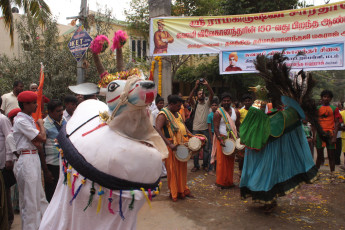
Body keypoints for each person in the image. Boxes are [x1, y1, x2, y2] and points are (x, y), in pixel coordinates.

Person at [13, 91, 48, 230]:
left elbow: (37, 143)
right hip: (27, 158)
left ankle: (42, 225)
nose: (35, 105)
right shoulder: (21, 120)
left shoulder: (27, 119)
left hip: (32, 156)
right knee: (30, 200)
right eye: (33, 103)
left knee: (38, 195)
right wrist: (41, 124)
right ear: (25, 104)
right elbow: (41, 139)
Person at [155, 95, 193, 201]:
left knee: (182, 169)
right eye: (178, 105)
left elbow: (184, 126)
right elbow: (157, 129)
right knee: (173, 171)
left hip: (181, 146)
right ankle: (174, 193)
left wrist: (192, 136)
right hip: (171, 146)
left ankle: (182, 190)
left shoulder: (178, 113)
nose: (180, 107)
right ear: (171, 104)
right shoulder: (163, 114)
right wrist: (169, 144)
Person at [212, 93, 240, 188]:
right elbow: (215, 127)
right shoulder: (218, 112)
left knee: (230, 161)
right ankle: (221, 182)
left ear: (231, 101)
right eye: (224, 100)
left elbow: (237, 125)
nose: (226, 102)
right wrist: (220, 139)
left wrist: (238, 139)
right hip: (222, 138)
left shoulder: (236, 111)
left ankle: (229, 181)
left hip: (232, 139)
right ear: (222, 102)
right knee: (221, 161)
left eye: (228, 100)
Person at [42, 100, 66, 202]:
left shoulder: (64, 120)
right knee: (52, 195)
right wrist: (46, 171)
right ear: (50, 112)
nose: (61, 113)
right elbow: (40, 149)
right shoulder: (44, 124)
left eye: (62, 110)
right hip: (52, 164)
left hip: (64, 163)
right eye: (58, 111)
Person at [188, 79, 214, 172]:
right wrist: (195, 87)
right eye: (199, 94)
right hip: (196, 129)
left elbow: (212, 95)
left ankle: (205, 165)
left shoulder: (207, 103)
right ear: (197, 95)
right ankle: (196, 165)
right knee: (195, 148)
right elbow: (189, 98)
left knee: (206, 148)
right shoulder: (195, 104)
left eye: (202, 94)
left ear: (205, 95)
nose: (201, 95)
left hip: (206, 128)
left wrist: (207, 85)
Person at [314, 90, 341, 177]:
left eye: (328, 97)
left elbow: (337, 123)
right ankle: (315, 174)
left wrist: (334, 137)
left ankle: (332, 174)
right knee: (319, 156)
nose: (326, 98)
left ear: (330, 98)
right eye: (324, 96)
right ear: (322, 97)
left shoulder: (334, 109)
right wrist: (314, 136)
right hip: (319, 134)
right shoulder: (317, 109)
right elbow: (315, 123)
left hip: (330, 134)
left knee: (331, 156)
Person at [0, 97, 12, 229]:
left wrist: (9, 158)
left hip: (3, 162)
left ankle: (8, 220)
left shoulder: (3, 119)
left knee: (4, 192)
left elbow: (9, 137)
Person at [238, 94, 253, 172]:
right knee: (242, 156)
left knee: (251, 155)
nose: (247, 102)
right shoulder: (240, 112)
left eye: (249, 101)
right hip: (243, 136)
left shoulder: (254, 111)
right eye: (246, 101)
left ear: (251, 102)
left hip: (252, 136)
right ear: (243, 102)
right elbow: (237, 123)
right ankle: (241, 172)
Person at [207, 99, 219, 175]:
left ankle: (217, 168)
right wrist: (211, 139)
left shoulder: (219, 114)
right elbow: (209, 127)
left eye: (215, 105)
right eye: (213, 105)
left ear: (217, 106)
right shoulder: (210, 115)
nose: (214, 107)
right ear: (211, 107)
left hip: (218, 134)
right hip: (212, 133)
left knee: (218, 152)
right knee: (212, 152)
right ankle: (210, 169)